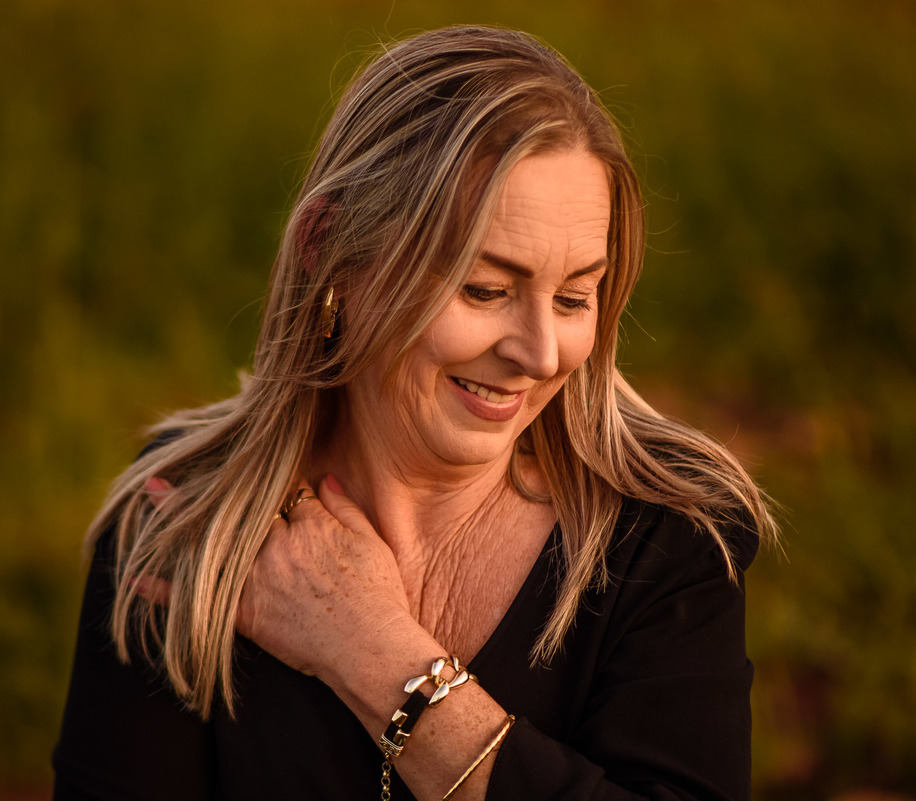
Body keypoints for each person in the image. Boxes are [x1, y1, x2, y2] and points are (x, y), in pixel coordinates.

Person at [53, 25, 777, 801]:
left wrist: (373, 651)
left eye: (574, 297)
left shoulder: (668, 536)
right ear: (330, 249)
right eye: (485, 289)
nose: (540, 353)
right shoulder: (192, 513)